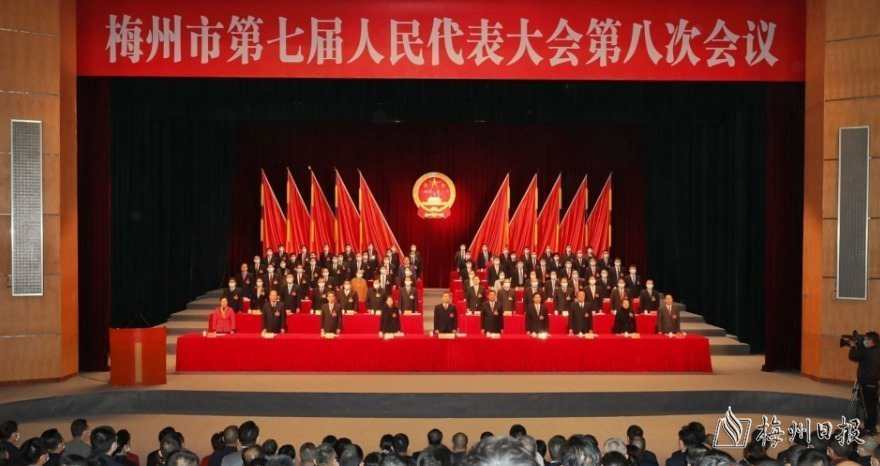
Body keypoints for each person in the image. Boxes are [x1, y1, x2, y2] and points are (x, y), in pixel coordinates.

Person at [848, 331, 880, 435]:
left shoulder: (866, 351)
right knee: (872, 406)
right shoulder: (877, 350)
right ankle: (872, 427)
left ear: (871, 341)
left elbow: (853, 356)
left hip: (865, 383)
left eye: (866, 339)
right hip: (874, 383)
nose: (864, 341)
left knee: (866, 407)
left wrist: (853, 346)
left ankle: (869, 429)